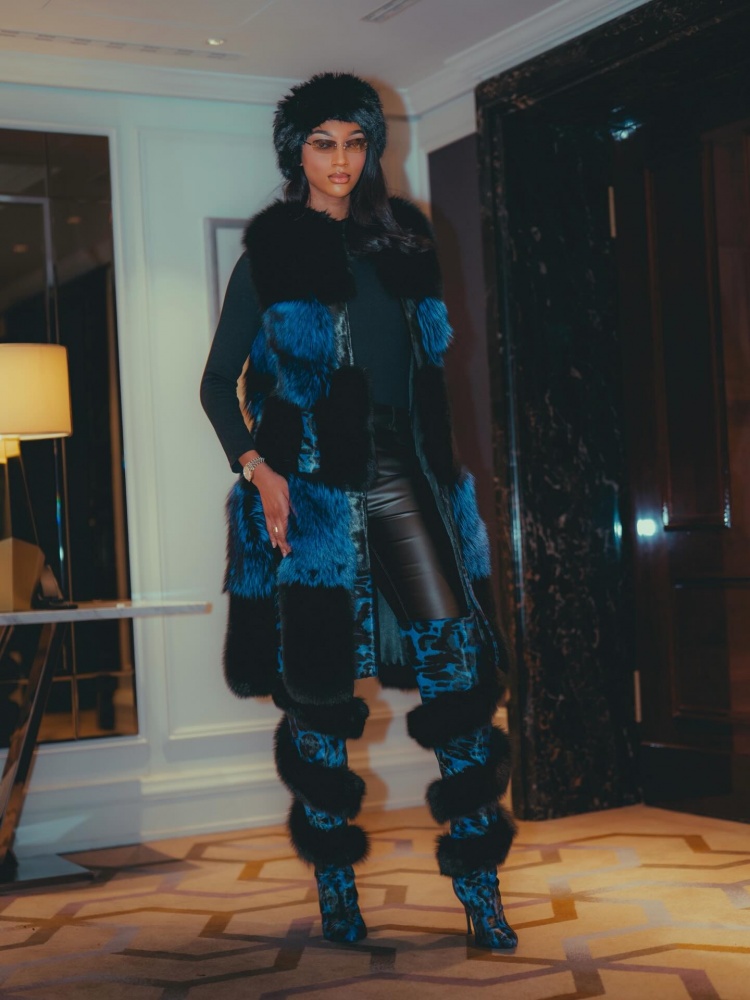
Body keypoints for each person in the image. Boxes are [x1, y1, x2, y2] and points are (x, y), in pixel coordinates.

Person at [200, 71, 516, 949]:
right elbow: (216, 384)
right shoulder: (268, 257)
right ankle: (337, 889)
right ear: (295, 153)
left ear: (371, 148)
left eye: (353, 141)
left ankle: (481, 892)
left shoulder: (405, 243)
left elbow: (427, 382)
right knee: (321, 692)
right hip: (309, 486)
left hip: (402, 471)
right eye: (321, 143)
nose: (339, 159)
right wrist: (259, 470)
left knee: (456, 668)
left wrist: (444, 479)